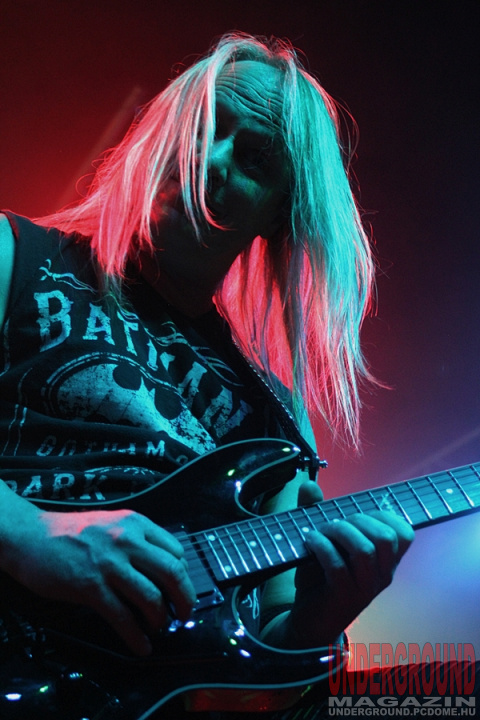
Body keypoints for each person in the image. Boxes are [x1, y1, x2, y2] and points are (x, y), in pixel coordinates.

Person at [0, 31, 423, 719]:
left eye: (253, 158)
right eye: (202, 126)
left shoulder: (274, 424)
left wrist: (323, 616)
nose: (211, 160)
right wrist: (28, 535)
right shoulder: (15, 253)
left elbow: (256, 691)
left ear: (279, 212)